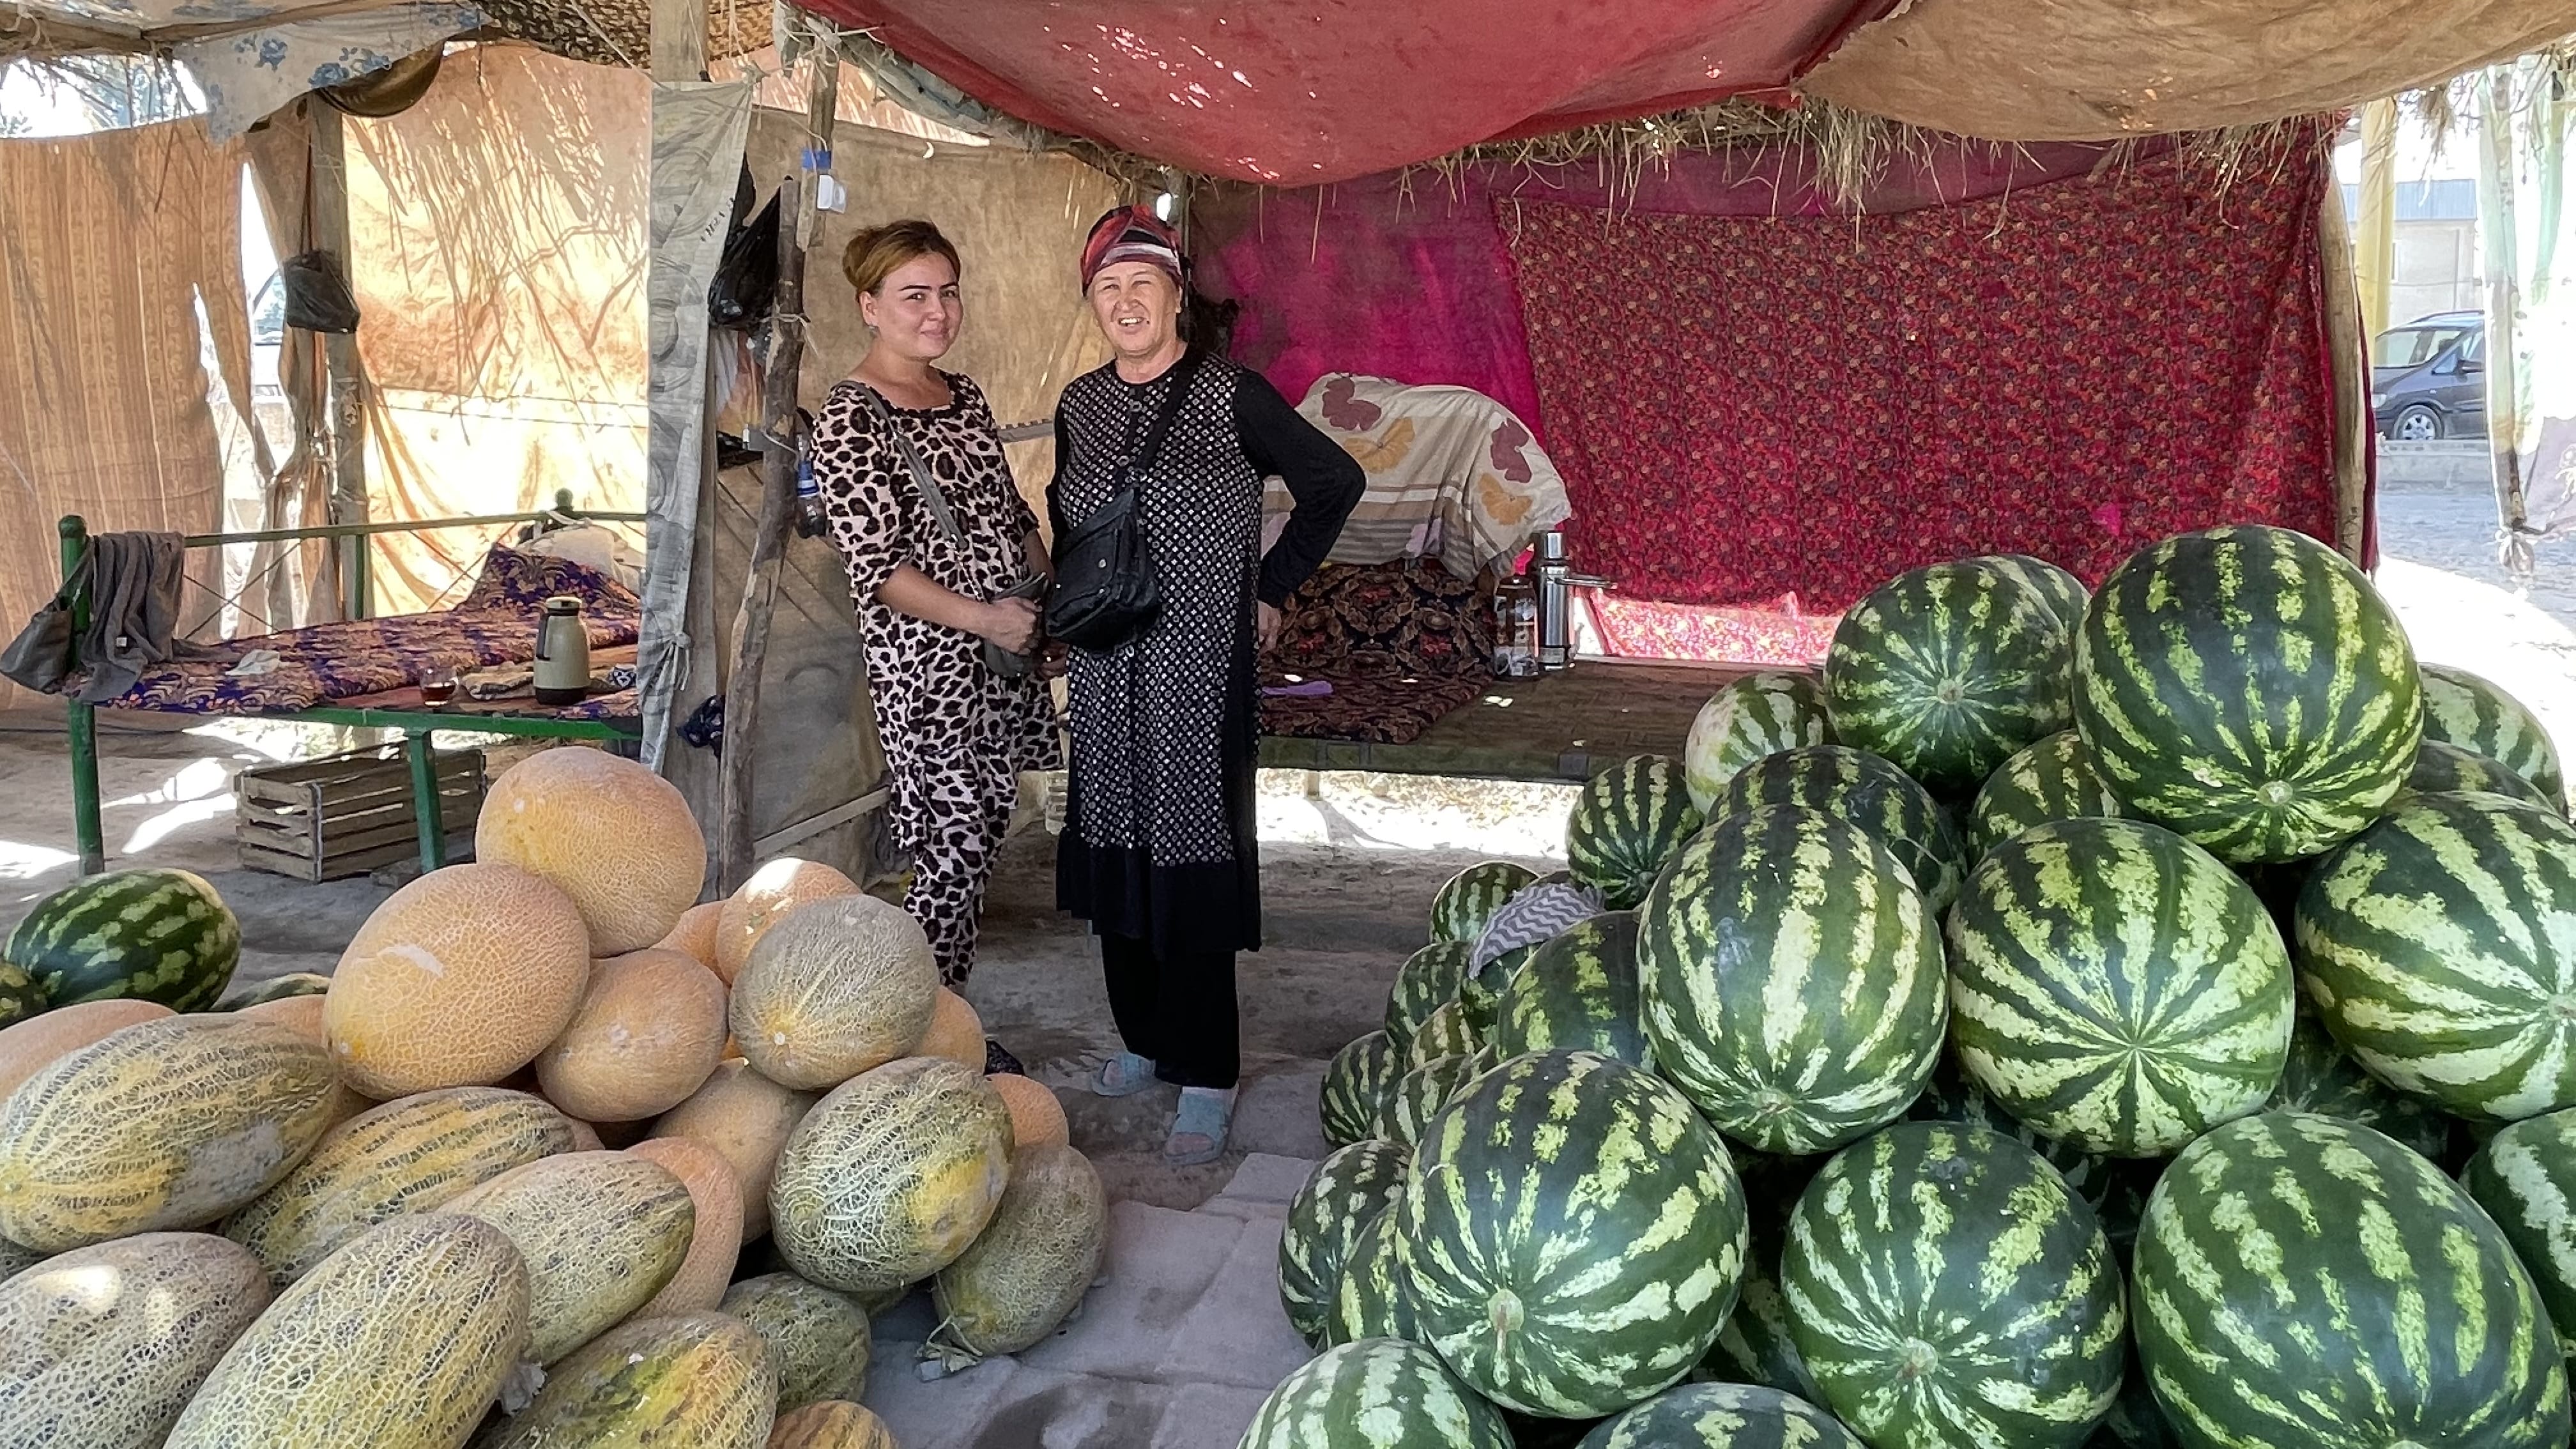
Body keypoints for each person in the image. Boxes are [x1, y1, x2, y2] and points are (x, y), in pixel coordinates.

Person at [1052, 206, 1363, 1165]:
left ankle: (1209, 1069)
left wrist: (1268, 586)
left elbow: (1333, 482)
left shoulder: (1235, 396)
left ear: (1177, 296)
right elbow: (1070, 523)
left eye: (1142, 283)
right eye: (1108, 289)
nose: (1125, 301)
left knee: (1189, 845)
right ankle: (1145, 1040)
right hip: (1107, 664)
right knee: (1112, 838)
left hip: (1196, 663)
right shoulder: (1079, 405)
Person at [808, 219, 1059, 1073]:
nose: (936, 311)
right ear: (869, 307)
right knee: (952, 843)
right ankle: (916, 1030)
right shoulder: (849, 419)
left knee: (983, 833)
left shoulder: (965, 396)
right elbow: (875, 569)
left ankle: (931, 1025)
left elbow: (1010, 515)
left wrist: (1048, 595)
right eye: (914, 295)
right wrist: (986, 618)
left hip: (1002, 657)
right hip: (931, 670)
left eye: (947, 292)